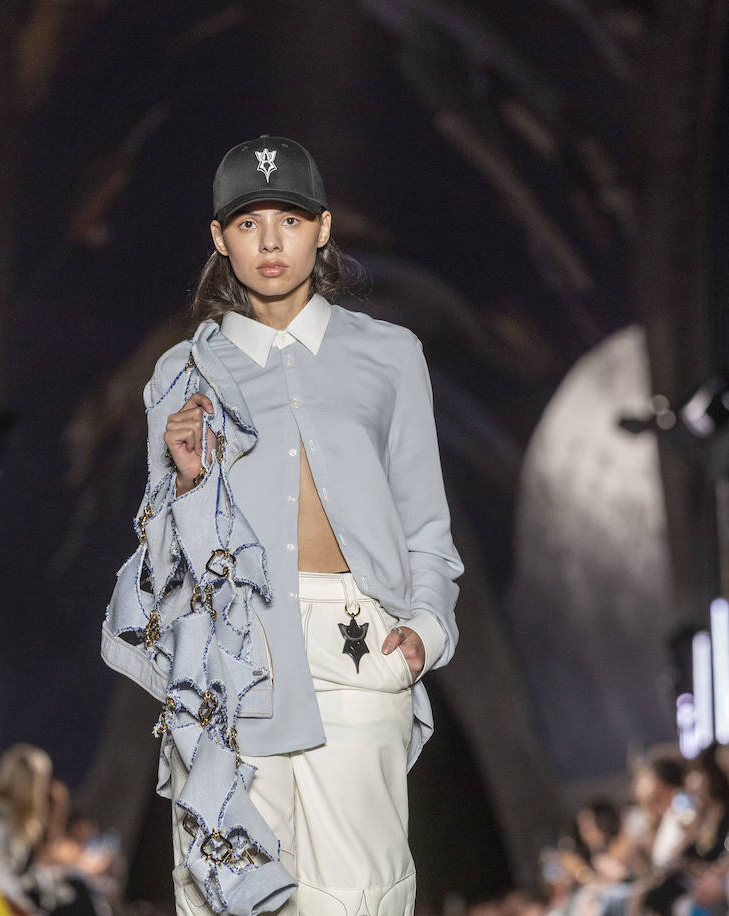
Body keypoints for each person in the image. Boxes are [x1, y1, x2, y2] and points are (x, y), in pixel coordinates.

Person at [102, 135, 463, 916]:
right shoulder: (180, 375)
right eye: (247, 222)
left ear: (323, 228)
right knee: (234, 898)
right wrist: (187, 481)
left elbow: (424, 520)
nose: (270, 242)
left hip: (358, 646)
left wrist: (426, 632)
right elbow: (163, 569)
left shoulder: (390, 355)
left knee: (361, 898)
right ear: (218, 238)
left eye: (290, 219)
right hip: (232, 659)